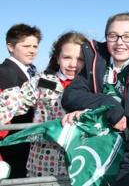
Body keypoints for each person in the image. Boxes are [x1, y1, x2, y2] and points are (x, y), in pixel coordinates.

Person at [61, 12, 129, 185]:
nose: (119, 42)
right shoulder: (96, 61)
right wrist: (109, 106)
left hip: (128, 156)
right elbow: (71, 96)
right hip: (95, 154)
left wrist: (127, 172)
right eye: (113, 36)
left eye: (128, 36)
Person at [0, 31, 88, 177]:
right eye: (67, 57)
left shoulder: (95, 85)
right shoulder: (43, 81)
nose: (73, 64)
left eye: (80, 59)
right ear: (58, 58)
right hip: (45, 162)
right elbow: (14, 100)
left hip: (81, 163)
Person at [0, 23, 42, 178]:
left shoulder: (33, 71)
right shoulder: (4, 72)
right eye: (26, 46)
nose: (32, 51)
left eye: (35, 46)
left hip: (31, 144)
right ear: (10, 47)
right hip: (15, 146)